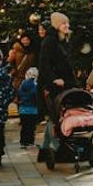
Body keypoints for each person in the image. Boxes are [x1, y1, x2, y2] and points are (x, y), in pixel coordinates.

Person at [36, 12, 76, 161]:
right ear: (56, 25)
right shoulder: (49, 41)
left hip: (63, 83)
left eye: (67, 23)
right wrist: (54, 79)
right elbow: (44, 64)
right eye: (63, 24)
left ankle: (45, 150)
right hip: (52, 85)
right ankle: (55, 148)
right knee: (54, 117)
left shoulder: (63, 39)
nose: (67, 26)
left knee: (54, 117)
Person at [18, 67, 40, 149]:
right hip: (32, 110)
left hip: (22, 109)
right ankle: (30, 141)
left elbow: (19, 95)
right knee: (31, 127)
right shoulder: (35, 86)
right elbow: (36, 97)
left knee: (24, 126)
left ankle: (23, 142)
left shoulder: (22, 84)